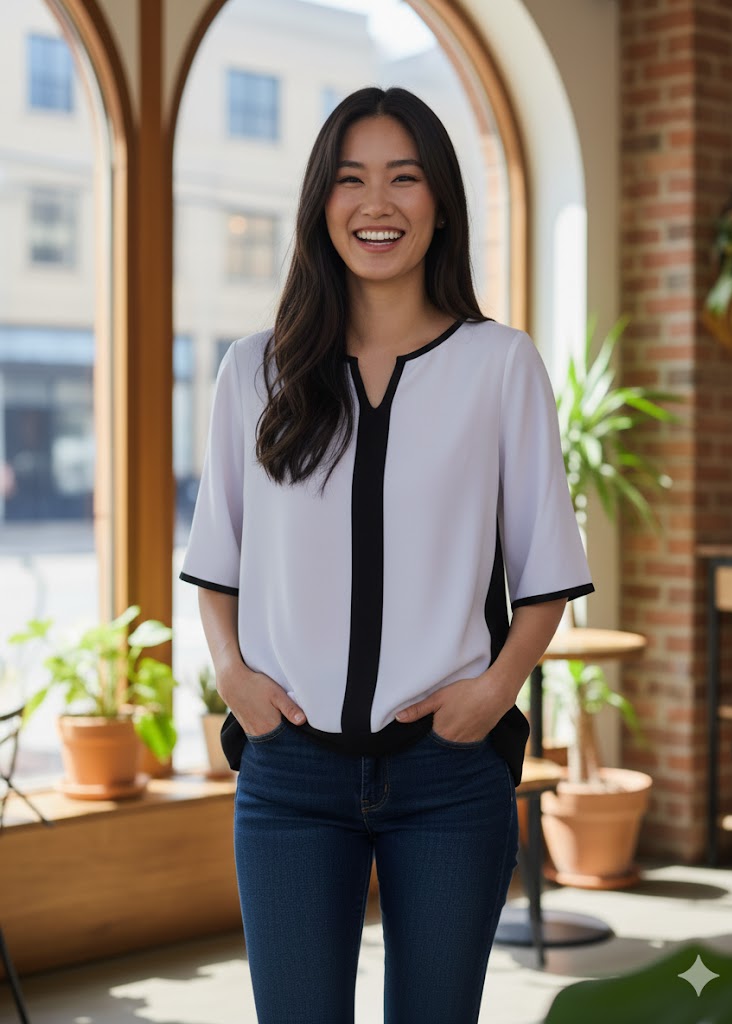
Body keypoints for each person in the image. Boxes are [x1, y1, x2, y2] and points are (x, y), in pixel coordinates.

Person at [180, 86, 593, 1024]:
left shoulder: (500, 365)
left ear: (439, 201)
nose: (377, 204)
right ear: (319, 205)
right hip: (288, 776)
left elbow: (543, 574)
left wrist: (492, 695)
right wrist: (232, 673)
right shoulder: (256, 370)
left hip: (448, 775)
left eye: (403, 178)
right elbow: (218, 558)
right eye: (350, 179)